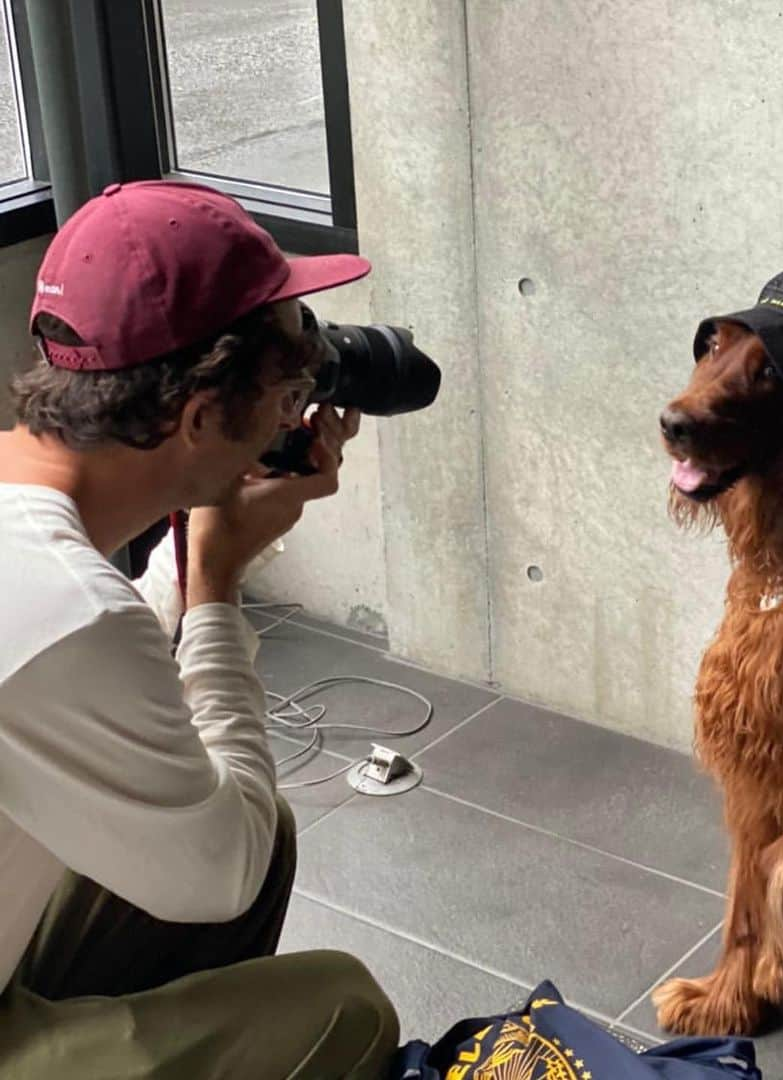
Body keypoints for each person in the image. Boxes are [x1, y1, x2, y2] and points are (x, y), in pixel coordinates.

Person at [0, 180, 399, 1079]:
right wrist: (215, 585)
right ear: (200, 416)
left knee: (252, 823)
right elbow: (224, 875)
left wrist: (198, 565)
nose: (295, 413)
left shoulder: (30, 542)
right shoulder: (68, 615)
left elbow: (73, 664)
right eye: (289, 388)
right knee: (342, 1006)